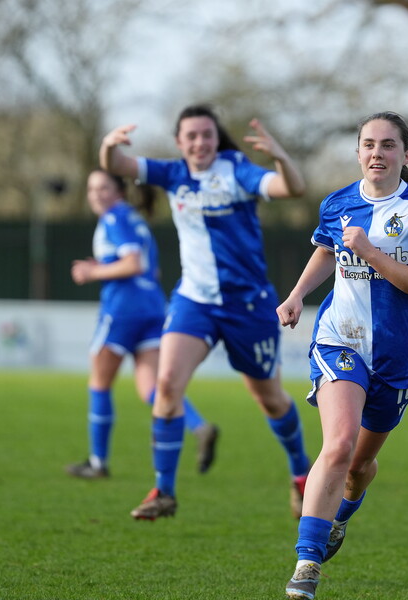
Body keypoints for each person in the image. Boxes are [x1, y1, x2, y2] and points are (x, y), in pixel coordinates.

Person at [99, 104, 312, 521]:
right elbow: (118, 164)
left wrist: (282, 158)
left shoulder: (237, 171)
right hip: (194, 301)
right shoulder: (173, 174)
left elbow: (293, 189)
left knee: (269, 399)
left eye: (207, 135)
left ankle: (301, 473)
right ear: (179, 143)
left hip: (248, 306)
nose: (199, 142)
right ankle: (164, 491)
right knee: (166, 387)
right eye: (191, 136)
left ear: (217, 139)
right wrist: (108, 147)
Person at [276, 111, 408, 600]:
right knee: (339, 442)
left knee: (359, 467)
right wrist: (296, 296)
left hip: (398, 355)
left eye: (389, 145)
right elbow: (328, 251)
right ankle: (307, 566)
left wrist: (372, 253)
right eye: (369, 144)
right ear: (357, 152)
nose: (377, 152)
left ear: (406, 155)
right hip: (340, 338)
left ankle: (340, 518)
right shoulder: (338, 203)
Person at [66, 169, 219, 480]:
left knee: (99, 381)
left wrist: (91, 273)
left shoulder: (113, 218)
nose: (96, 194)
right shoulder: (136, 220)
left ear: (119, 191)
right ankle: (199, 426)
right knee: (149, 386)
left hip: (124, 309)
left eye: (103, 188)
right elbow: (149, 268)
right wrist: (103, 266)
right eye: (91, 188)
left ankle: (98, 462)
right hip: (152, 307)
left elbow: (133, 263)